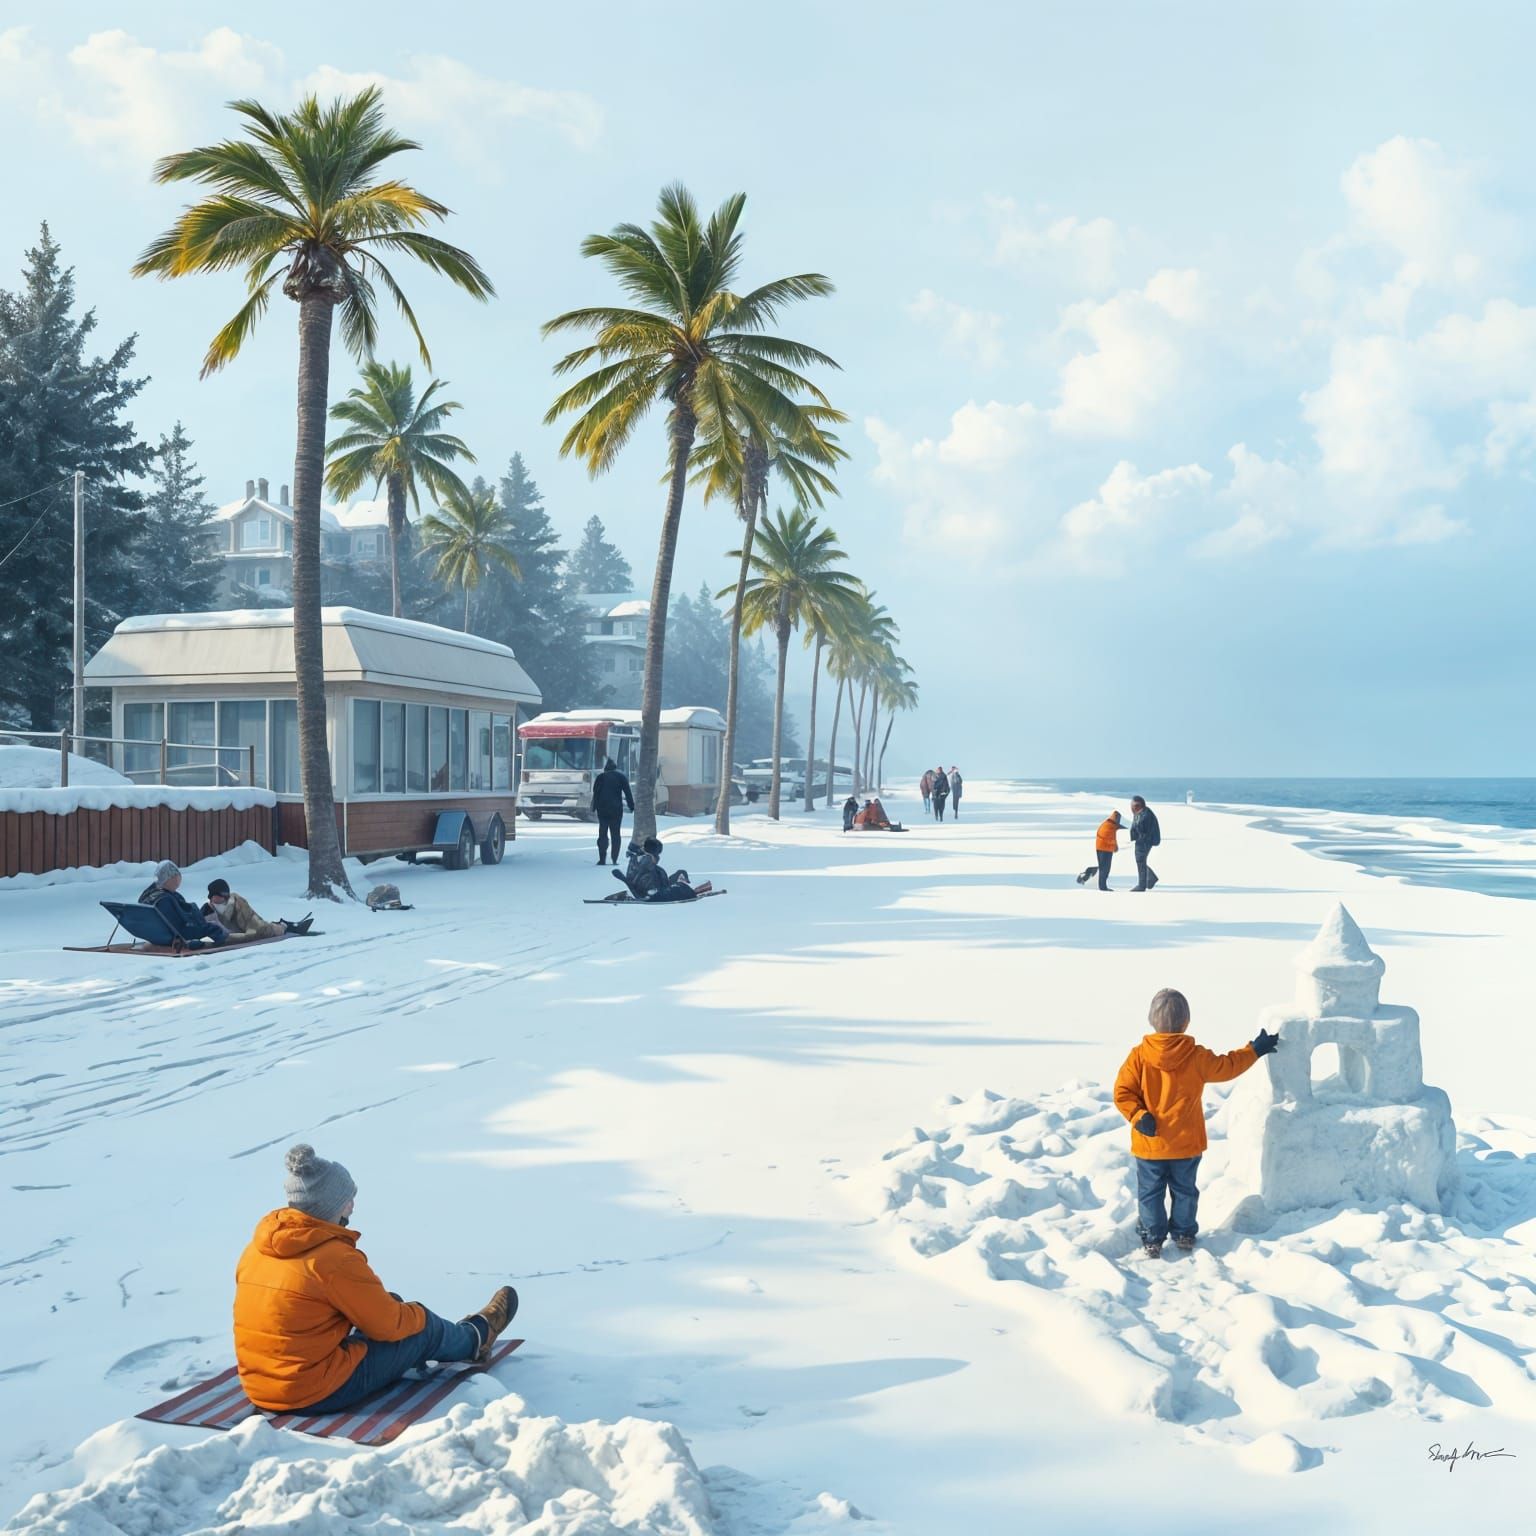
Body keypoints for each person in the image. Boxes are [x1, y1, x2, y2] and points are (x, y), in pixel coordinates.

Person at [233, 1143, 518, 1413]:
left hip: (260, 1385)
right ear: (332, 1207)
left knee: (386, 1305)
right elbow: (388, 1326)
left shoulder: (257, 1249)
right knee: (421, 1326)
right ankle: (475, 1338)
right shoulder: (333, 1259)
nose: (353, 1206)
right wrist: (416, 1317)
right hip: (312, 1392)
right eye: (347, 1200)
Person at [1113, 989, 1279, 1257]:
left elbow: (1122, 1092)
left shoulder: (1139, 1056)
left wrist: (1138, 1115)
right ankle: (1183, 1233)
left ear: (1151, 1020)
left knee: (1150, 1193)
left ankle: (1152, 1238)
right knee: (1185, 1191)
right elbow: (1227, 1067)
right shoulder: (1195, 1055)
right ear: (1186, 1022)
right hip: (1185, 1145)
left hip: (1150, 1145)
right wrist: (1254, 1050)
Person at [138, 860, 227, 946]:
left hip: (157, 935)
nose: (179, 879)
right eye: (177, 876)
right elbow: (180, 926)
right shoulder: (165, 899)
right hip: (176, 936)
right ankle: (222, 942)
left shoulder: (148, 895)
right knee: (215, 929)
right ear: (170, 878)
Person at [201, 878, 312, 940]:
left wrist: (229, 938)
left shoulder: (237, 904)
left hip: (251, 927)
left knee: (265, 929)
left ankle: (286, 927)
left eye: (215, 897)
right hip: (234, 933)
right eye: (211, 897)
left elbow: (254, 929)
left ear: (224, 896)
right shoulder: (208, 909)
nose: (212, 900)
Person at [621, 837, 711, 901]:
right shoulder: (646, 861)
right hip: (654, 893)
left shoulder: (639, 859)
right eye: (657, 854)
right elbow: (651, 886)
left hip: (657, 889)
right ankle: (695, 890)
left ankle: (693, 887)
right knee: (682, 888)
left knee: (680, 873)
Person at [590, 756, 635, 866]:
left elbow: (596, 793)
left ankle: (602, 858)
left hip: (602, 809)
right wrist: (632, 806)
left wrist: (593, 807)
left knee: (603, 833)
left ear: (606, 768)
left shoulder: (600, 777)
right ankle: (614, 859)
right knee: (616, 834)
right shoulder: (621, 777)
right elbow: (628, 793)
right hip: (616, 810)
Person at [1076, 811, 1123, 890]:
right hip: (1104, 849)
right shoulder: (1108, 826)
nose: (1118, 820)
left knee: (1104, 868)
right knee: (1104, 869)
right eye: (1118, 818)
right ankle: (1102, 887)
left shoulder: (1110, 824)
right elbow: (1108, 838)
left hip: (1104, 848)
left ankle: (1091, 876)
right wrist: (1114, 846)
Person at [1129, 795, 1161, 891]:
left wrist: (1141, 840)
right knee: (1141, 861)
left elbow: (1146, 830)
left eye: (1132, 805)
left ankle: (1142, 885)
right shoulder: (1139, 813)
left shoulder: (1146, 815)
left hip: (1145, 841)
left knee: (1140, 861)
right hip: (1141, 840)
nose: (1131, 808)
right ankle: (1151, 878)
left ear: (1137, 806)